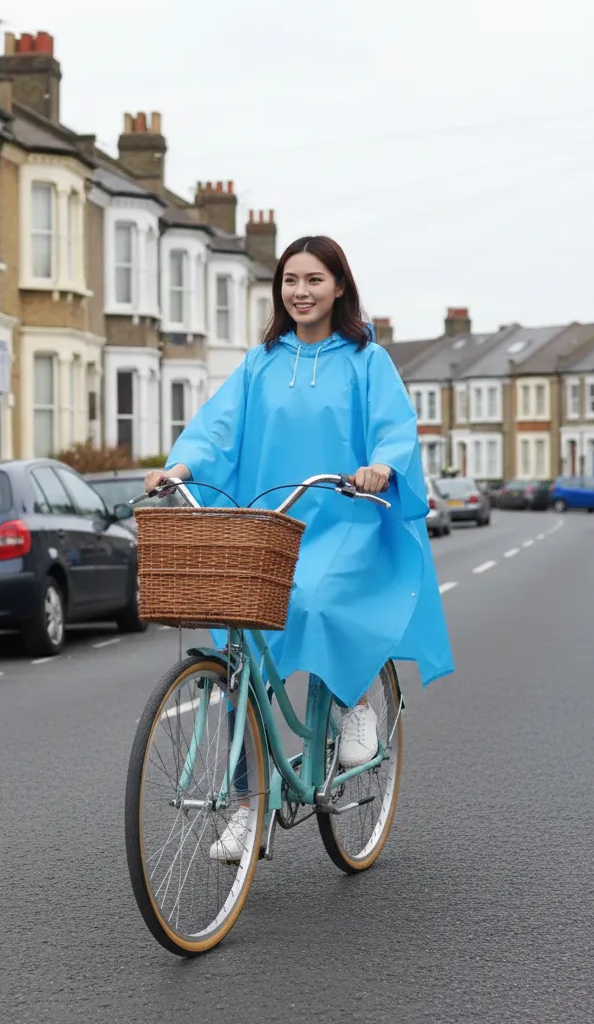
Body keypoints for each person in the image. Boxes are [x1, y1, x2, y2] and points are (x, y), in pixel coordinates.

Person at [144, 235, 454, 861]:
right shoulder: (262, 362)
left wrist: (381, 467)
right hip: (272, 523)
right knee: (239, 662)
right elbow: (217, 425)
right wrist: (180, 467)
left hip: (347, 519)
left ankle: (354, 702)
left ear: (339, 286)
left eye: (314, 279)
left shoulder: (367, 360)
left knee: (313, 598)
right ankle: (240, 809)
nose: (301, 292)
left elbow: (397, 428)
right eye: (290, 280)